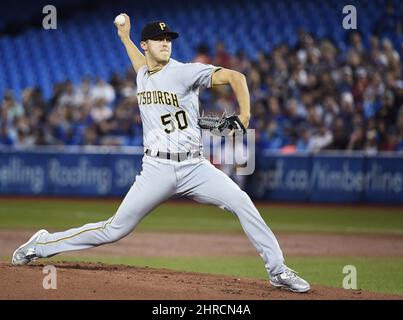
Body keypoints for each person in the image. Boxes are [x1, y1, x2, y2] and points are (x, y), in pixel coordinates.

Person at [11, 14, 310, 293]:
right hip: (156, 168)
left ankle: (277, 270)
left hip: (195, 166)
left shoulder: (185, 72)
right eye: (158, 39)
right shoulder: (143, 74)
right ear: (146, 45)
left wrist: (244, 117)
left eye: (168, 39)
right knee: (114, 229)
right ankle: (43, 243)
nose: (166, 43)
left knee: (242, 201)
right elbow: (140, 66)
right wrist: (124, 37)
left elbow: (236, 77)